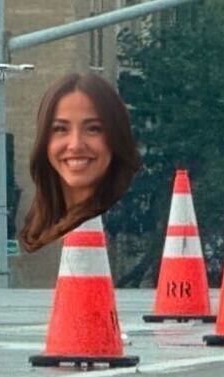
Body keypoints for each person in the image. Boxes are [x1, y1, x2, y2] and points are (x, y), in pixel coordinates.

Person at [19, 72, 141, 253]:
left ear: (116, 137)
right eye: (60, 129)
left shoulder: (127, 222)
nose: (75, 145)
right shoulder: (36, 230)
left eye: (93, 129)